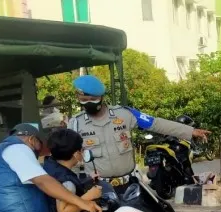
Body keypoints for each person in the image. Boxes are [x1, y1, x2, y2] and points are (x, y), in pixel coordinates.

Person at [68, 74, 210, 191]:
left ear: (102, 97)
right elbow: (70, 158)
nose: (88, 103)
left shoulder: (125, 114)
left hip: (129, 185)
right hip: (98, 188)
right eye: (83, 100)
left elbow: (155, 123)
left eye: (93, 99)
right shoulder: (75, 124)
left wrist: (190, 131)